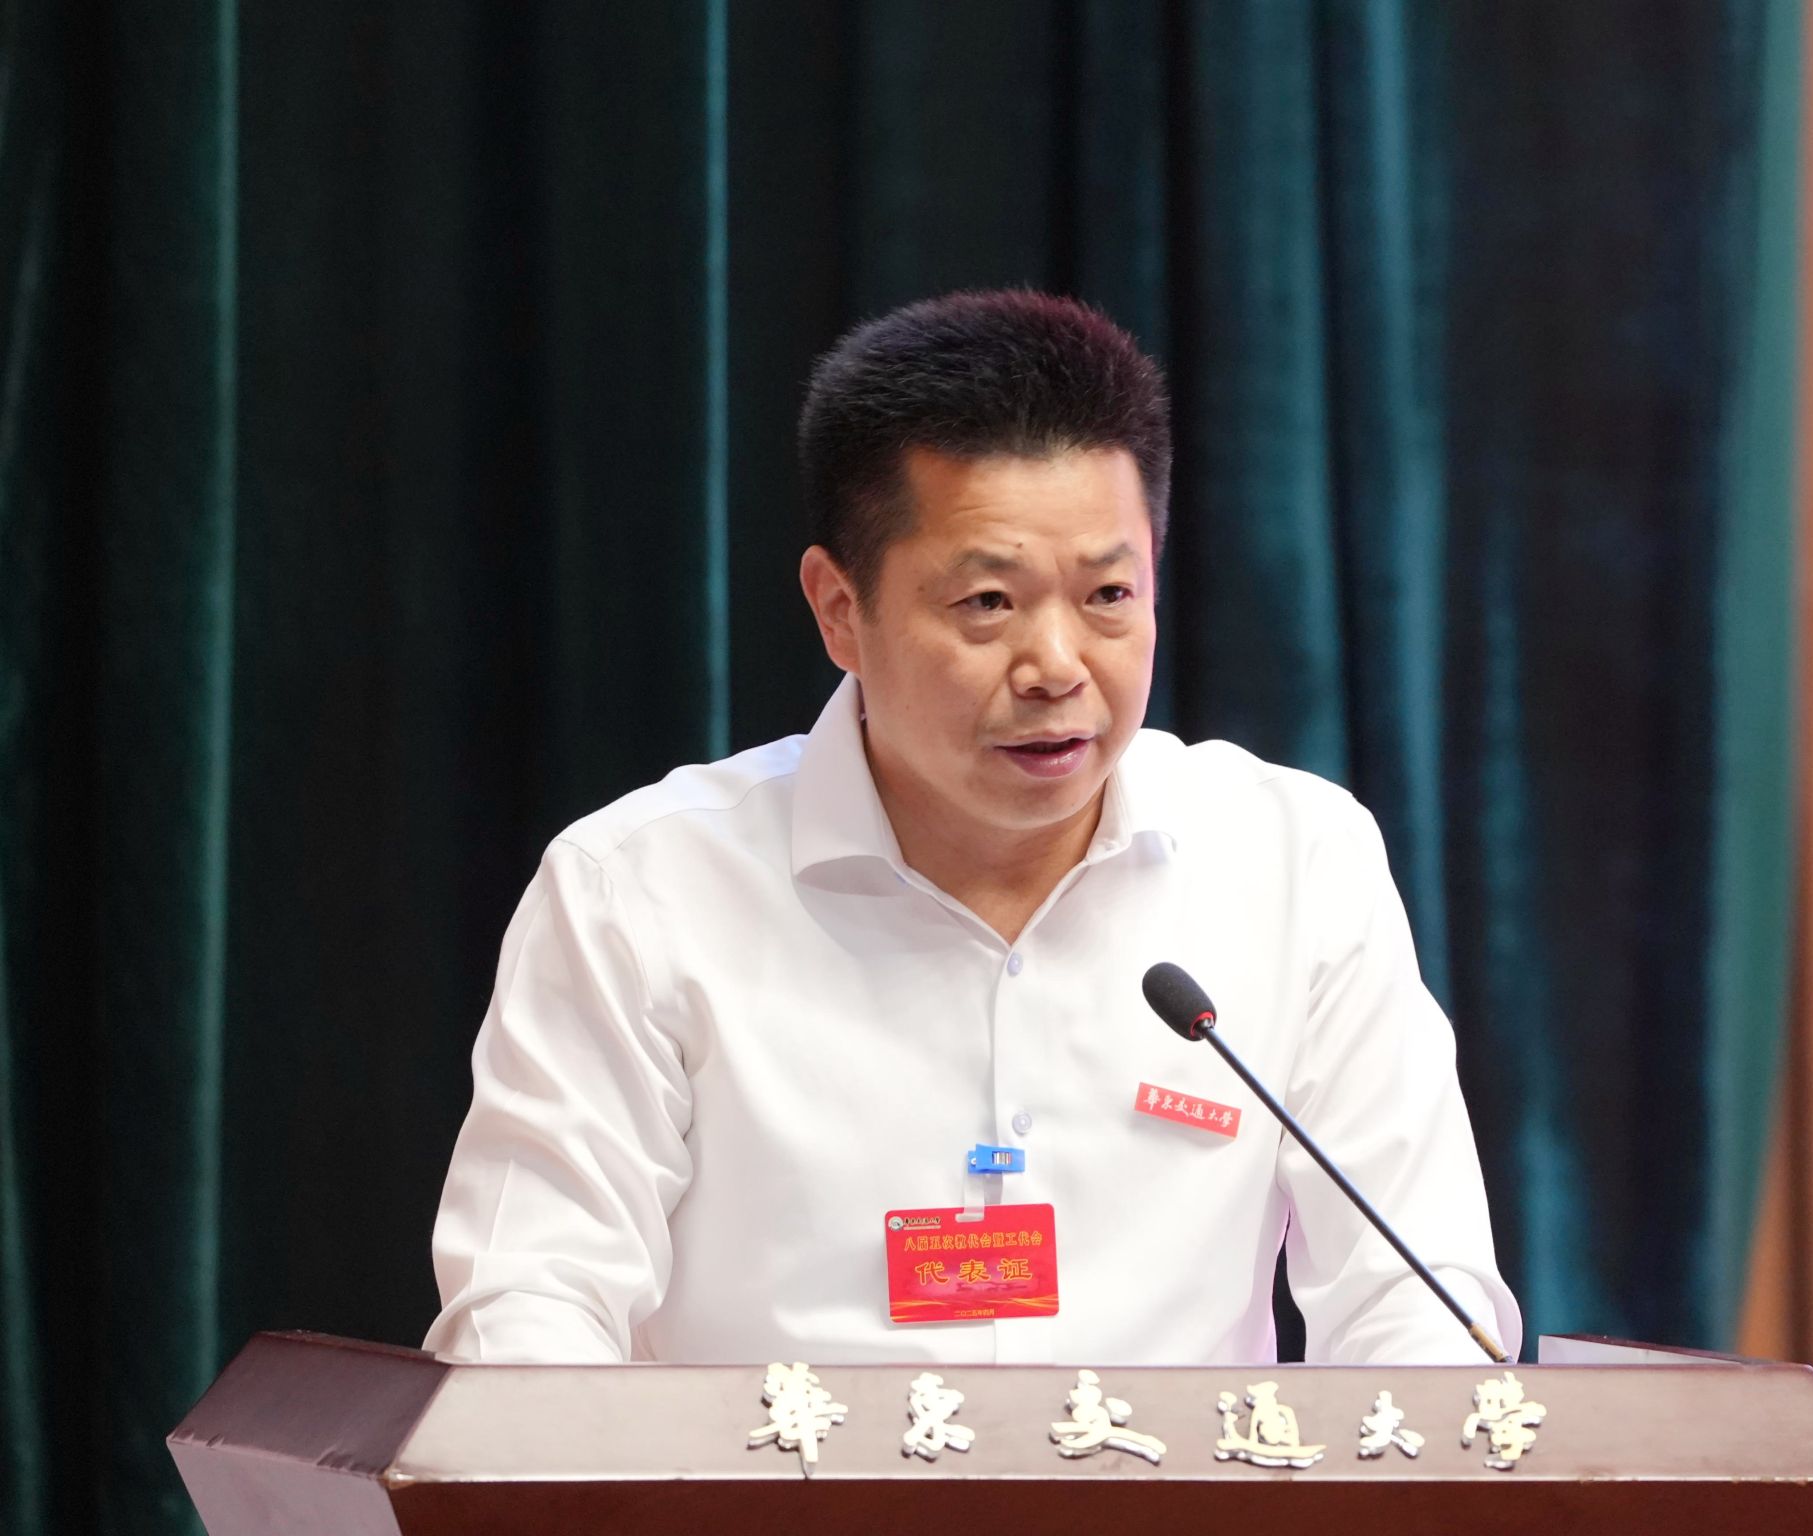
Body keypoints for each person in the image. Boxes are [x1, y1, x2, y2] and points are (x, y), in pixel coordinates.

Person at [424, 289, 1519, 1366]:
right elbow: (530, 1308)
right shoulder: (640, 890)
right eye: (987, 604)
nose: (1056, 667)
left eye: (1107, 596)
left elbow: (1415, 1300)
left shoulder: (1294, 862)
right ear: (839, 609)